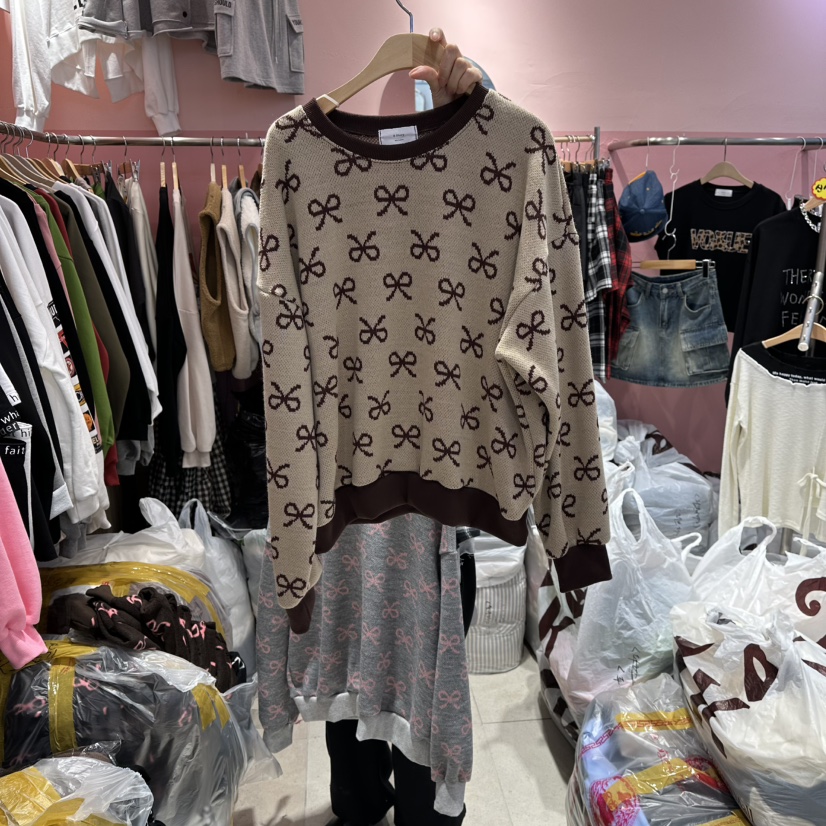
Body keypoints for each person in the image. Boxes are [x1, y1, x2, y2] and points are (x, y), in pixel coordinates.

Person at [322, 30, 483, 826]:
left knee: (399, 663)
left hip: (405, 495)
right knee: (378, 664)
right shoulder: (305, 161)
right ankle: (390, 801)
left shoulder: (492, 166)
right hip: (366, 491)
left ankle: (391, 801)